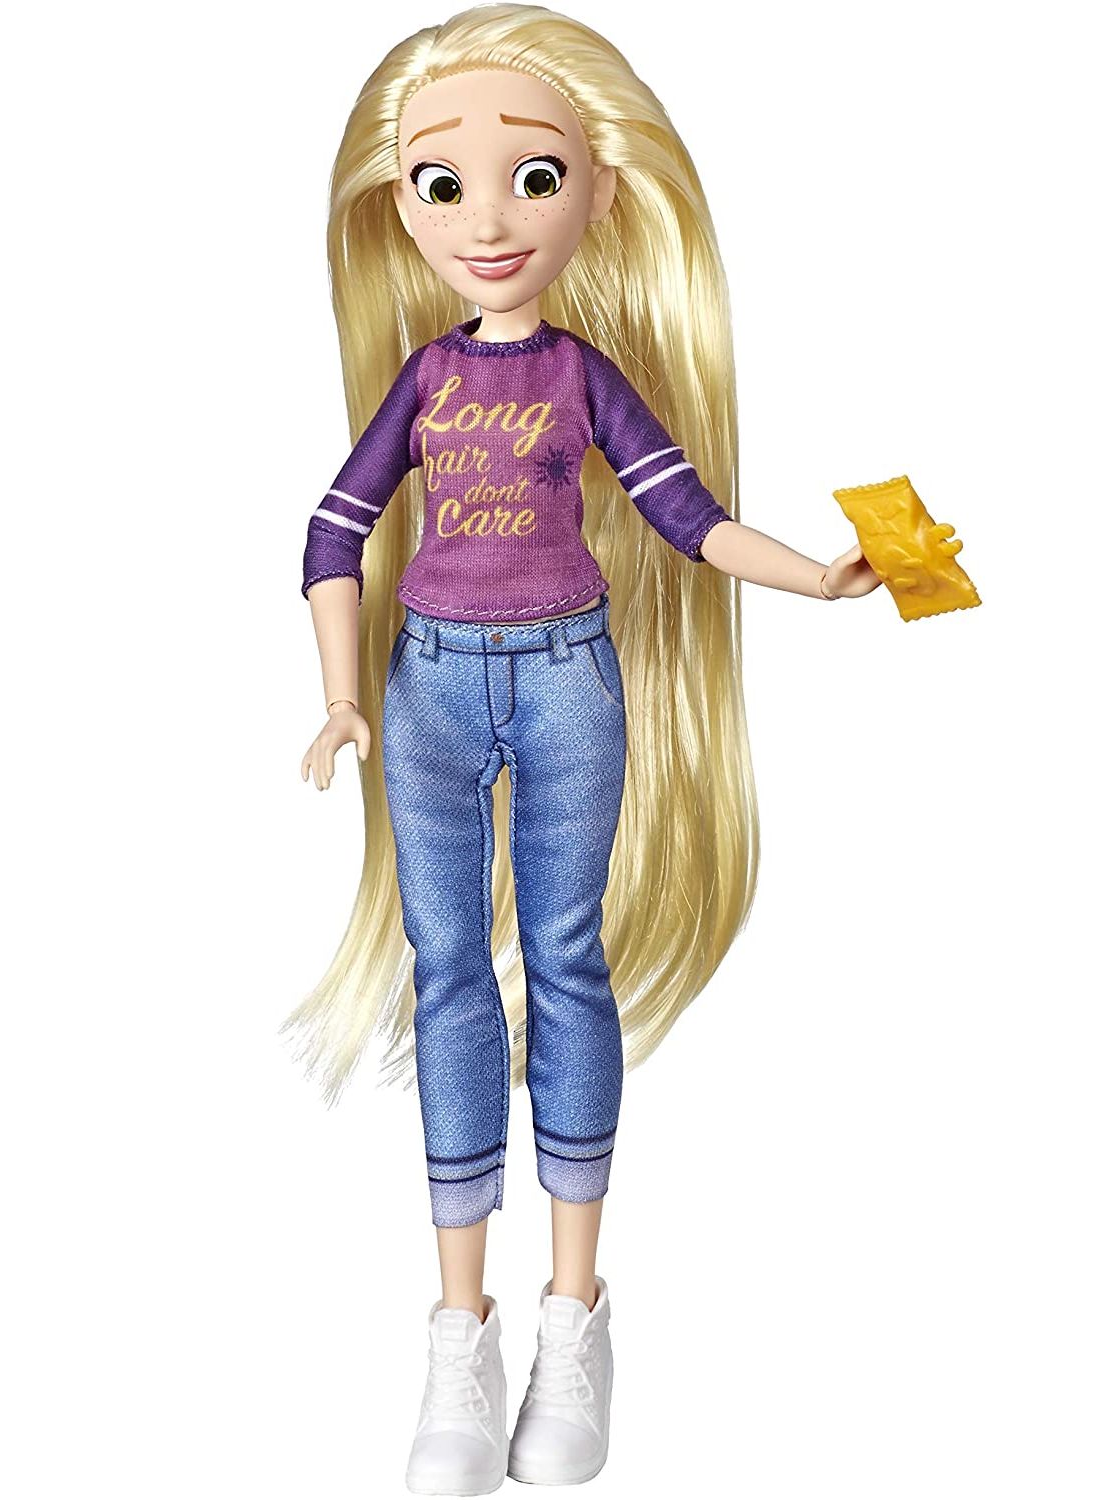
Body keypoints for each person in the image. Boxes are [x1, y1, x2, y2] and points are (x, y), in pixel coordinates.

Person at [290, 7, 882, 1492]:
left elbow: (686, 516)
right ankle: (459, 1330)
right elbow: (334, 531)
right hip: (428, 686)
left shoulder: (580, 377)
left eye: (533, 178)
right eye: (443, 185)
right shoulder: (425, 380)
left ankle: (573, 1317)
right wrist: (343, 694)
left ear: (599, 195)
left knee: (563, 958)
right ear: (400, 205)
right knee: (445, 972)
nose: (488, 220)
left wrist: (817, 579)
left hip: (565, 677)